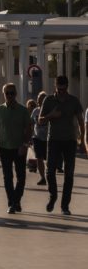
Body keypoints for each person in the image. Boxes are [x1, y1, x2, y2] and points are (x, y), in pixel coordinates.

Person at [39, 75, 85, 215]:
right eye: (59, 90)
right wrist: (50, 115)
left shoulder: (74, 101)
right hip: (53, 140)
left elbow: (81, 121)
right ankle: (53, 196)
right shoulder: (48, 100)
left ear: (67, 87)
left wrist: (82, 140)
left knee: (69, 174)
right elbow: (40, 121)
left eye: (64, 90)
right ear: (55, 87)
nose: (61, 92)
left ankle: (65, 205)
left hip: (70, 141)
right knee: (50, 171)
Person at [0, 84, 32, 214]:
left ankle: (16, 200)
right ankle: (12, 203)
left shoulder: (23, 110)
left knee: (21, 177)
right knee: (7, 177)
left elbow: (29, 129)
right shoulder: (0, 109)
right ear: (4, 94)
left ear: (16, 94)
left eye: (12, 93)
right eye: (7, 93)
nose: (9, 96)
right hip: (4, 147)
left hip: (19, 148)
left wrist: (25, 145)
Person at [30, 91, 48, 186]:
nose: (39, 102)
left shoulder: (50, 110)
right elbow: (31, 124)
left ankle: (49, 176)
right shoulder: (35, 111)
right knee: (39, 158)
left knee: (49, 159)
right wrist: (29, 136)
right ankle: (42, 177)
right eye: (38, 100)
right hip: (37, 137)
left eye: (41, 100)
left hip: (48, 139)